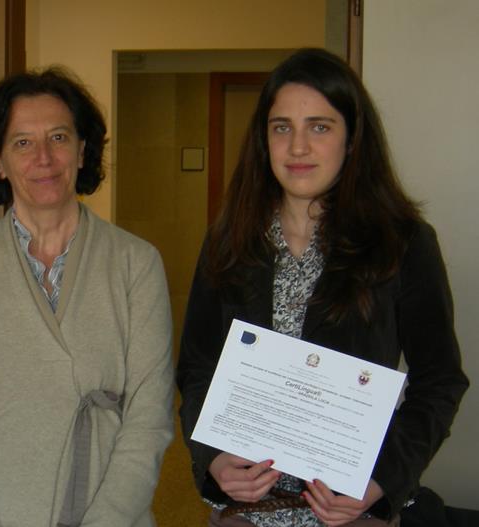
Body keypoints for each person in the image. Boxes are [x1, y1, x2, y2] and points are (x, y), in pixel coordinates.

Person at [177, 48, 468, 527]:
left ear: (352, 140)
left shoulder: (403, 243)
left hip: (350, 511)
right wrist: (211, 456)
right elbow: (197, 366)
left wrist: (382, 481)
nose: (297, 147)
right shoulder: (228, 242)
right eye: (281, 127)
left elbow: (440, 381)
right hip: (247, 511)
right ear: (263, 139)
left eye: (319, 127)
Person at [0, 67, 174, 527]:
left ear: (82, 150)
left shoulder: (136, 262)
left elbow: (149, 418)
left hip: (108, 511)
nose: (44, 157)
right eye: (22, 142)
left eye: (58, 137)